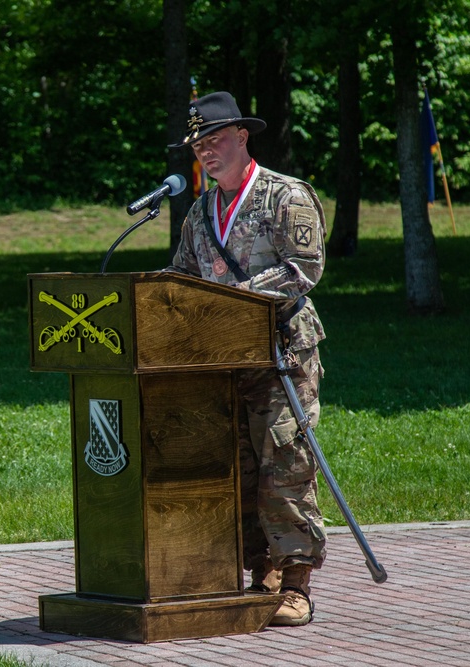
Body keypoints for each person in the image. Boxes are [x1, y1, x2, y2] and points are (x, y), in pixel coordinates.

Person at [164, 91, 327, 627]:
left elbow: (303, 269)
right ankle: (263, 575)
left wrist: (235, 304)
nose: (206, 153)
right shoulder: (199, 210)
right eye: (198, 145)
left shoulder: (285, 196)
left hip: (281, 353)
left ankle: (297, 583)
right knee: (237, 468)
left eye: (214, 141)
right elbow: (185, 276)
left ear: (242, 137)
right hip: (223, 362)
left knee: (285, 467)